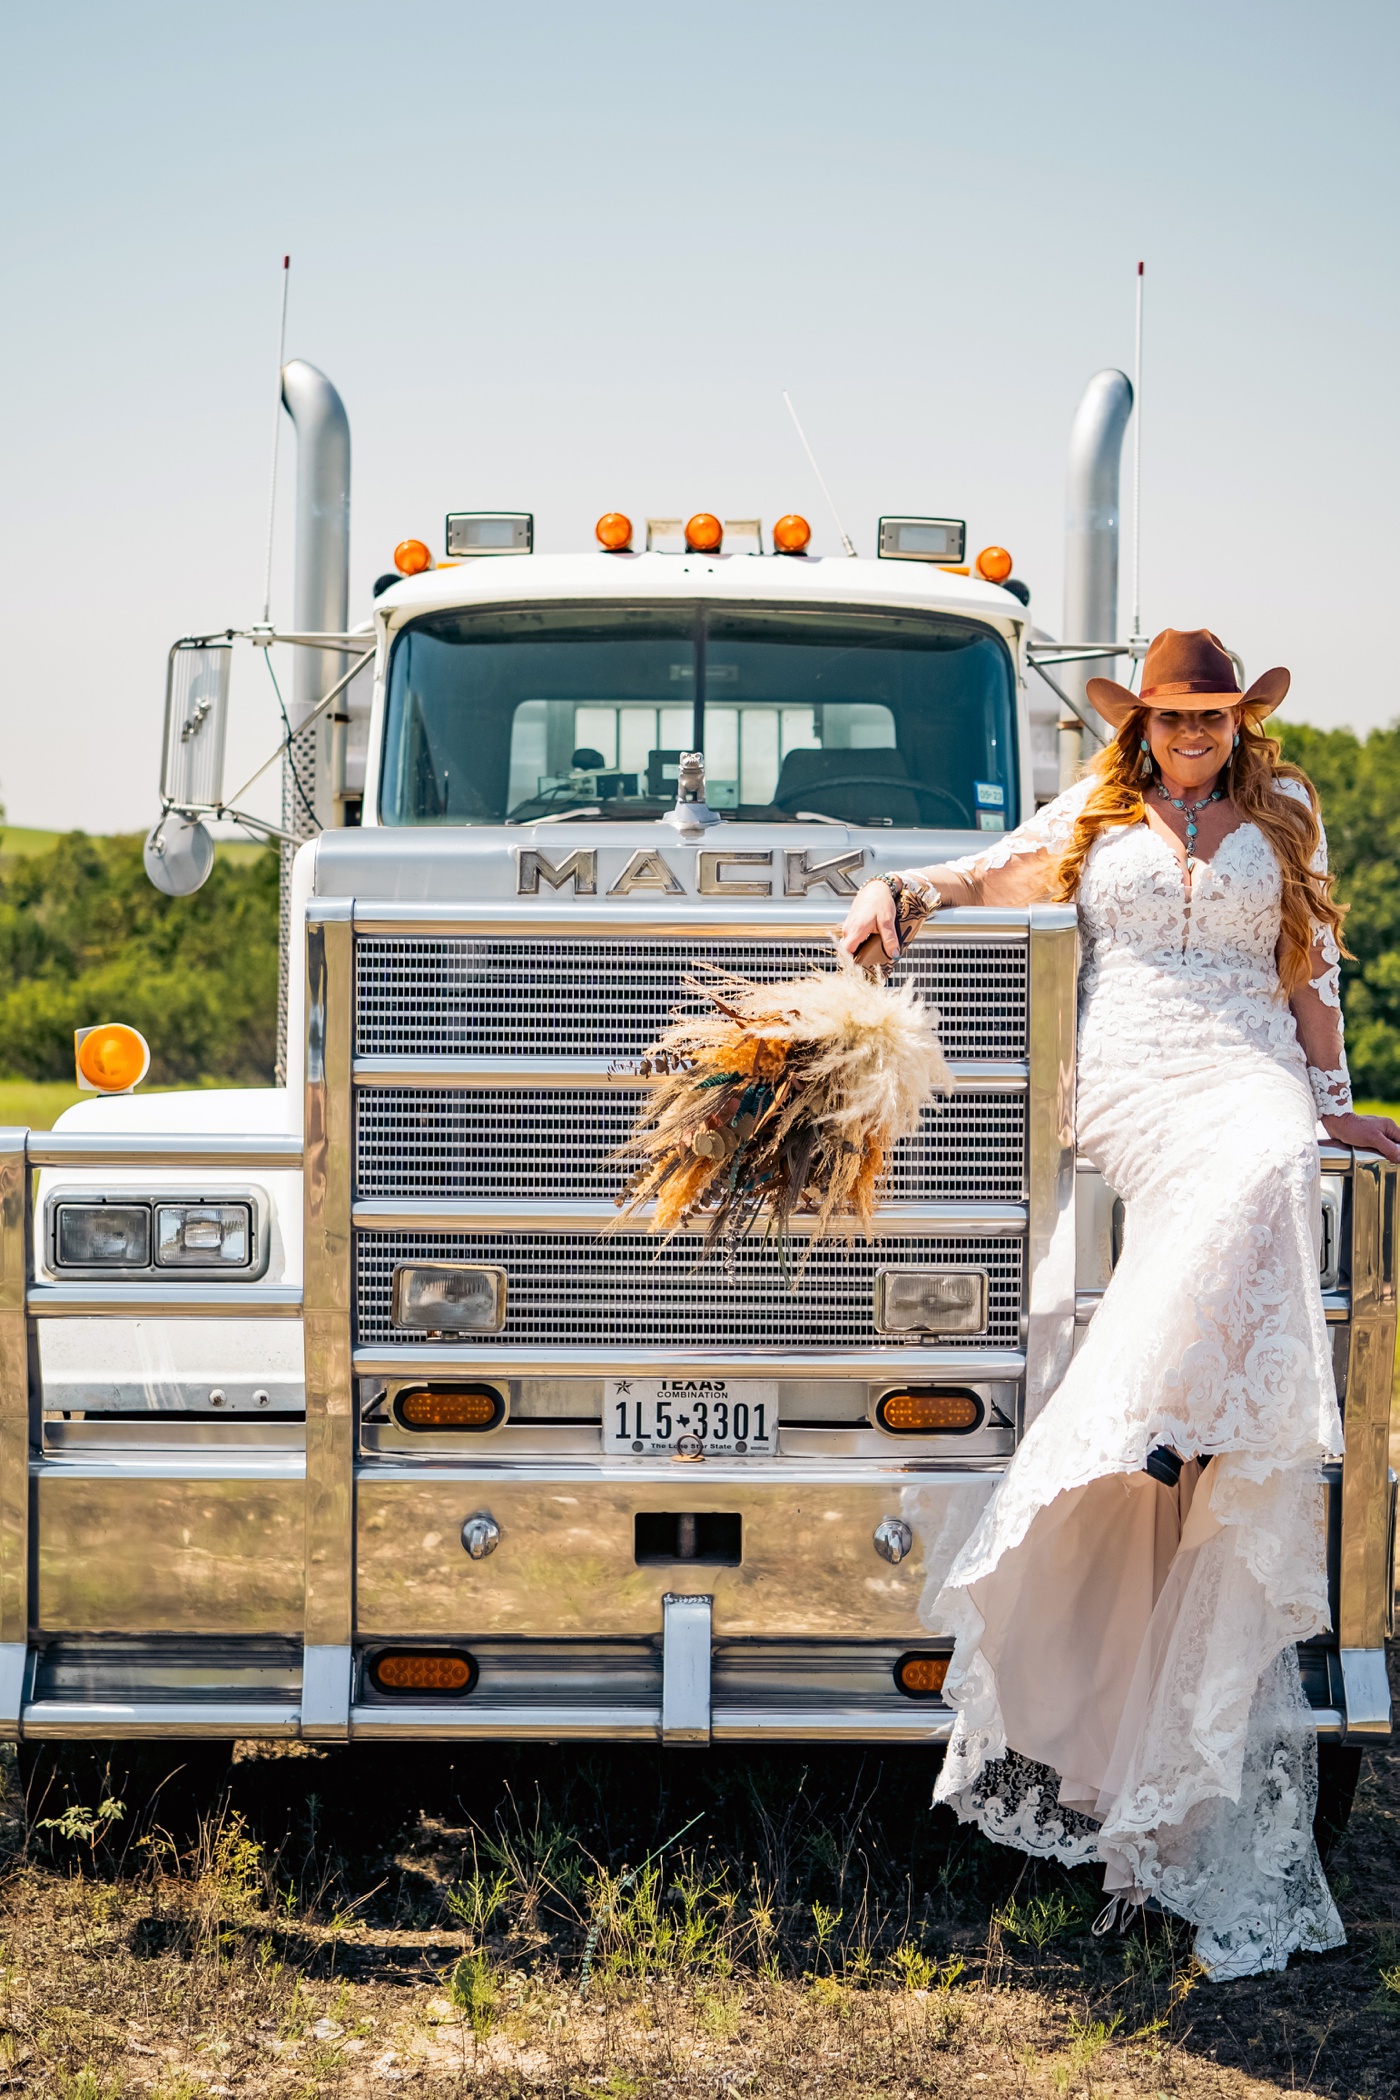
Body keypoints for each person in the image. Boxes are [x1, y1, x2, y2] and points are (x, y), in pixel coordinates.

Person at [838, 628, 1400, 1980]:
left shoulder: (1289, 810)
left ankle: (1183, 1420)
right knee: (1220, 1174)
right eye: (1175, 719)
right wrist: (900, 889)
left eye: (1213, 719)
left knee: (1278, 1155)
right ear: (1141, 722)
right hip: (1139, 1064)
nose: (1195, 737)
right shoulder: (1097, 811)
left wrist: (1334, 1103)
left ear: (1238, 724)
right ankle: (1142, 1417)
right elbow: (998, 871)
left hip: (1251, 1059)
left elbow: (1308, 971)